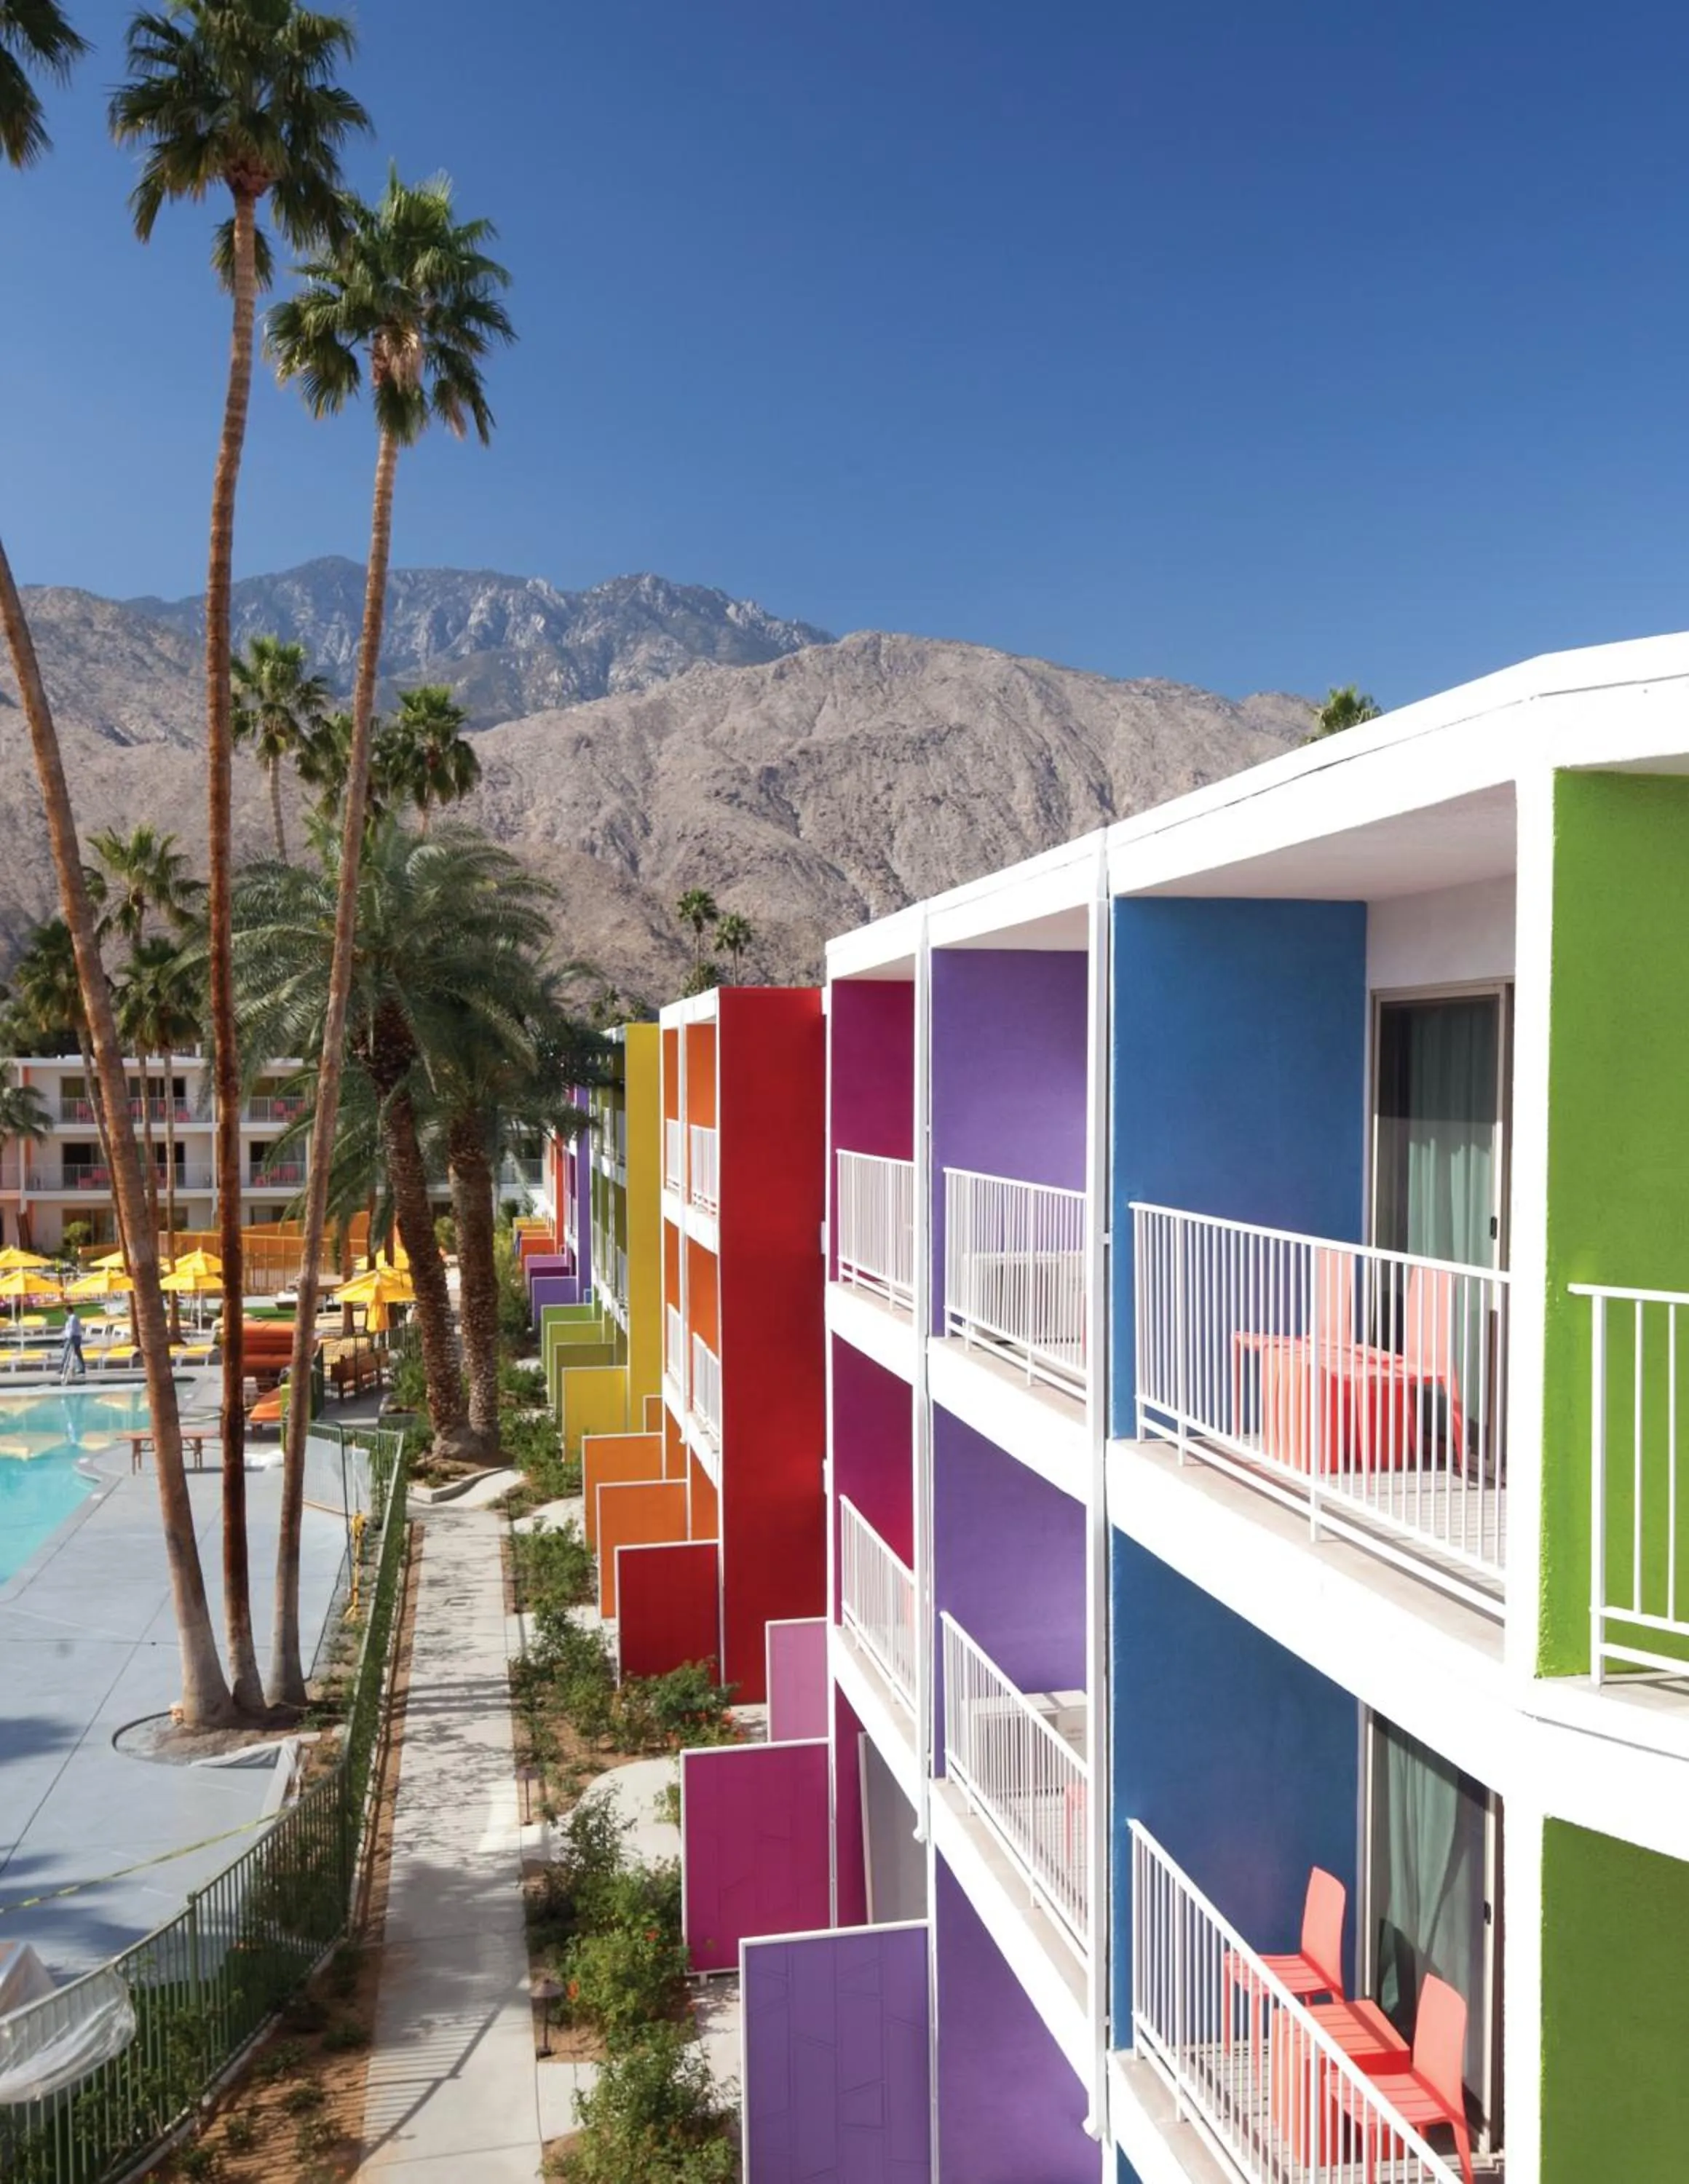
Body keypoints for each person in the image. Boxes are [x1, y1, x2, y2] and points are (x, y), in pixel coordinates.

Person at [59, 1307, 85, 1384]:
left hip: (73, 1338)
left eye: (65, 1312)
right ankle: (81, 1369)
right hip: (75, 1337)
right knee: (78, 1353)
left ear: (68, 1311)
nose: (65, 1313)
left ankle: (62, 1368)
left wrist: (68, 1338)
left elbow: (72, 1329)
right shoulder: (73, 1318)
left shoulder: (72, 1318)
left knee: (66, 1353)